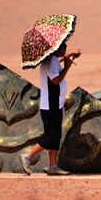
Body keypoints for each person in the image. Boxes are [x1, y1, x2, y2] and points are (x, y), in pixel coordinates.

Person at [21, 42, 80, 176]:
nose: (65, 50)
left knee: (55, 135)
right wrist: (67, 67)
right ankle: (28, 156)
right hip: (51, 105)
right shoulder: (51, 62)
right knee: (51, 136)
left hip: (53, 104)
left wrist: (69, 55)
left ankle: (53, 166)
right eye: (63, 48)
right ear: (57, 49)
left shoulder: (51, 59)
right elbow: (56, 80)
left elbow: (57, 62)